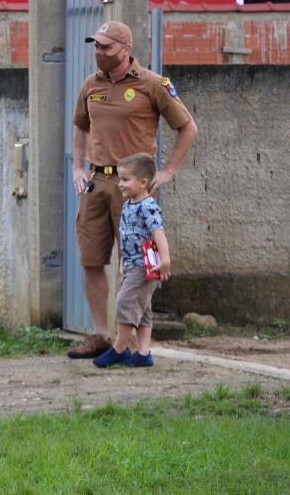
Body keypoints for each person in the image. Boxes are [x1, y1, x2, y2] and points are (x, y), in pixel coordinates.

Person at [66, 20, 197, 359]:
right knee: (91, 259)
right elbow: (80, 127)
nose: (99, 53)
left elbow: (187, 128)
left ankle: (135, 346)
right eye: (96, 46)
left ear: (125, 50)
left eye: (106, 48)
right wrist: (77, 166)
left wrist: (168, 171)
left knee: (136, 264)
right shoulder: (90, 85)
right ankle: (100, 335)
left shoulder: (153, 84)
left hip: (134, 189)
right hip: (96, 182)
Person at [93, 153, 169, 367]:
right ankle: (144, 353)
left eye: (125, 179)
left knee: (125, 302)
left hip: (145, 265)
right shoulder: (129, 205)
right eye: (120, 178)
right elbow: (126, 237)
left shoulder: (148, 206)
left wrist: (165, 259)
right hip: (132, 264)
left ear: (143, 182)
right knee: (143, 309)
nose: (120, 184)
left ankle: (119, 348)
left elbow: (158, 232)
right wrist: (121, 264)